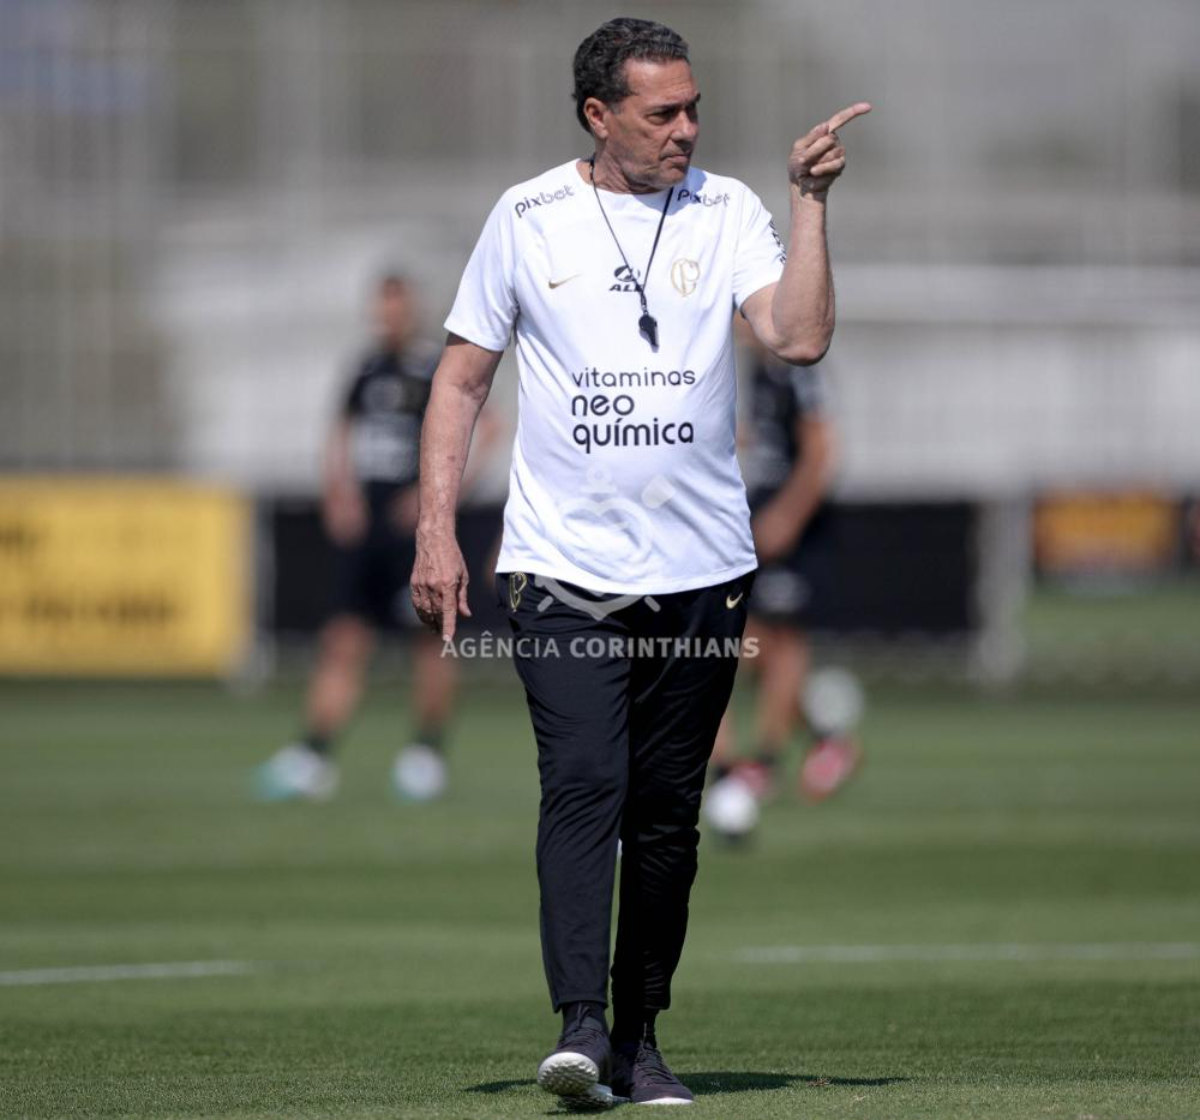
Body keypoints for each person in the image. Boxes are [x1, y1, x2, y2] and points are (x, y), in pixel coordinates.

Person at [411, 17, 869, 1108]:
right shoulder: (525, 217)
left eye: (695, 107)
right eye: (663, 111)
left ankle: (640, 1036)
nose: (687, 128)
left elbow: (798, 337)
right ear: (598, 115)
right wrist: (437, 527)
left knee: (666, 810)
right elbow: (462, 378)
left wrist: (809, 202)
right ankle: (578, 1026)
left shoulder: (733, 209)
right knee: (584, 783)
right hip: (560, 569)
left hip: (704, 573)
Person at [257, 273, 458, 804]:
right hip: (367, 528)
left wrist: (429, 494)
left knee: (428, 641)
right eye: (380, 309)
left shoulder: (435, 368)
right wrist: (338, 491)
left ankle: (426, 754)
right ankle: (313, 755)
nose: (386, 318)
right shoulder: (365, 369)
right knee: (343, 639)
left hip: (414, 531)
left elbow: (484, 428)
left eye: (395, 308)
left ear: (411, 311)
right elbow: (340, 431)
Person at [708, 331, 862, 812]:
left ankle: (764, 763)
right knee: (744, 643)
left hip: (796, 524)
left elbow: (821, 453)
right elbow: (763, 438)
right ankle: (825, 739)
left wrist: (787, 518)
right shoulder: (757, 372)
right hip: (762, 511)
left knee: (782, 641)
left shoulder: (799, 370)